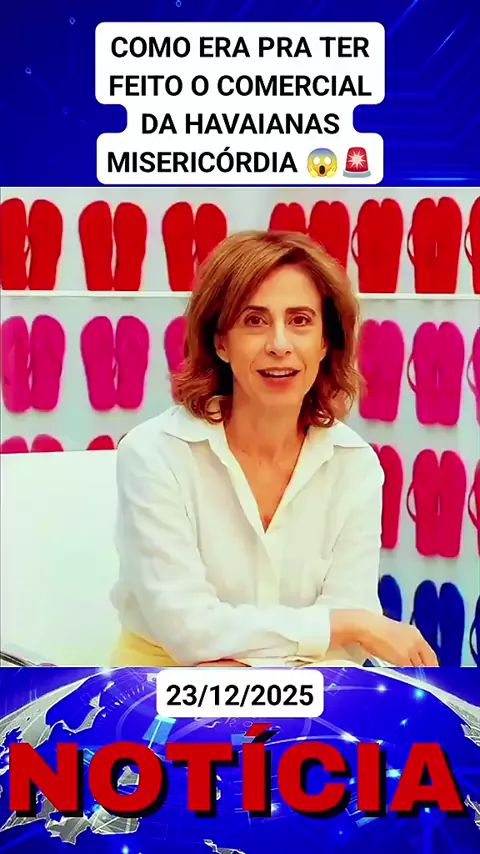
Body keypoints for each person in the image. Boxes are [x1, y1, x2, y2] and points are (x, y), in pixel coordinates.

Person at [110, 230, 438, 668]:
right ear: (220, 342)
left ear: (325, 342)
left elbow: (348, 635)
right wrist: (350, 625)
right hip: (163, 685)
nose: (280, 344)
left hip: (307, 685)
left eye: (300, 321)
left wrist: (260, 670)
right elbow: (189, 631)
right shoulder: (153, 453)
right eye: (254, 320)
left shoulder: (355, 464)